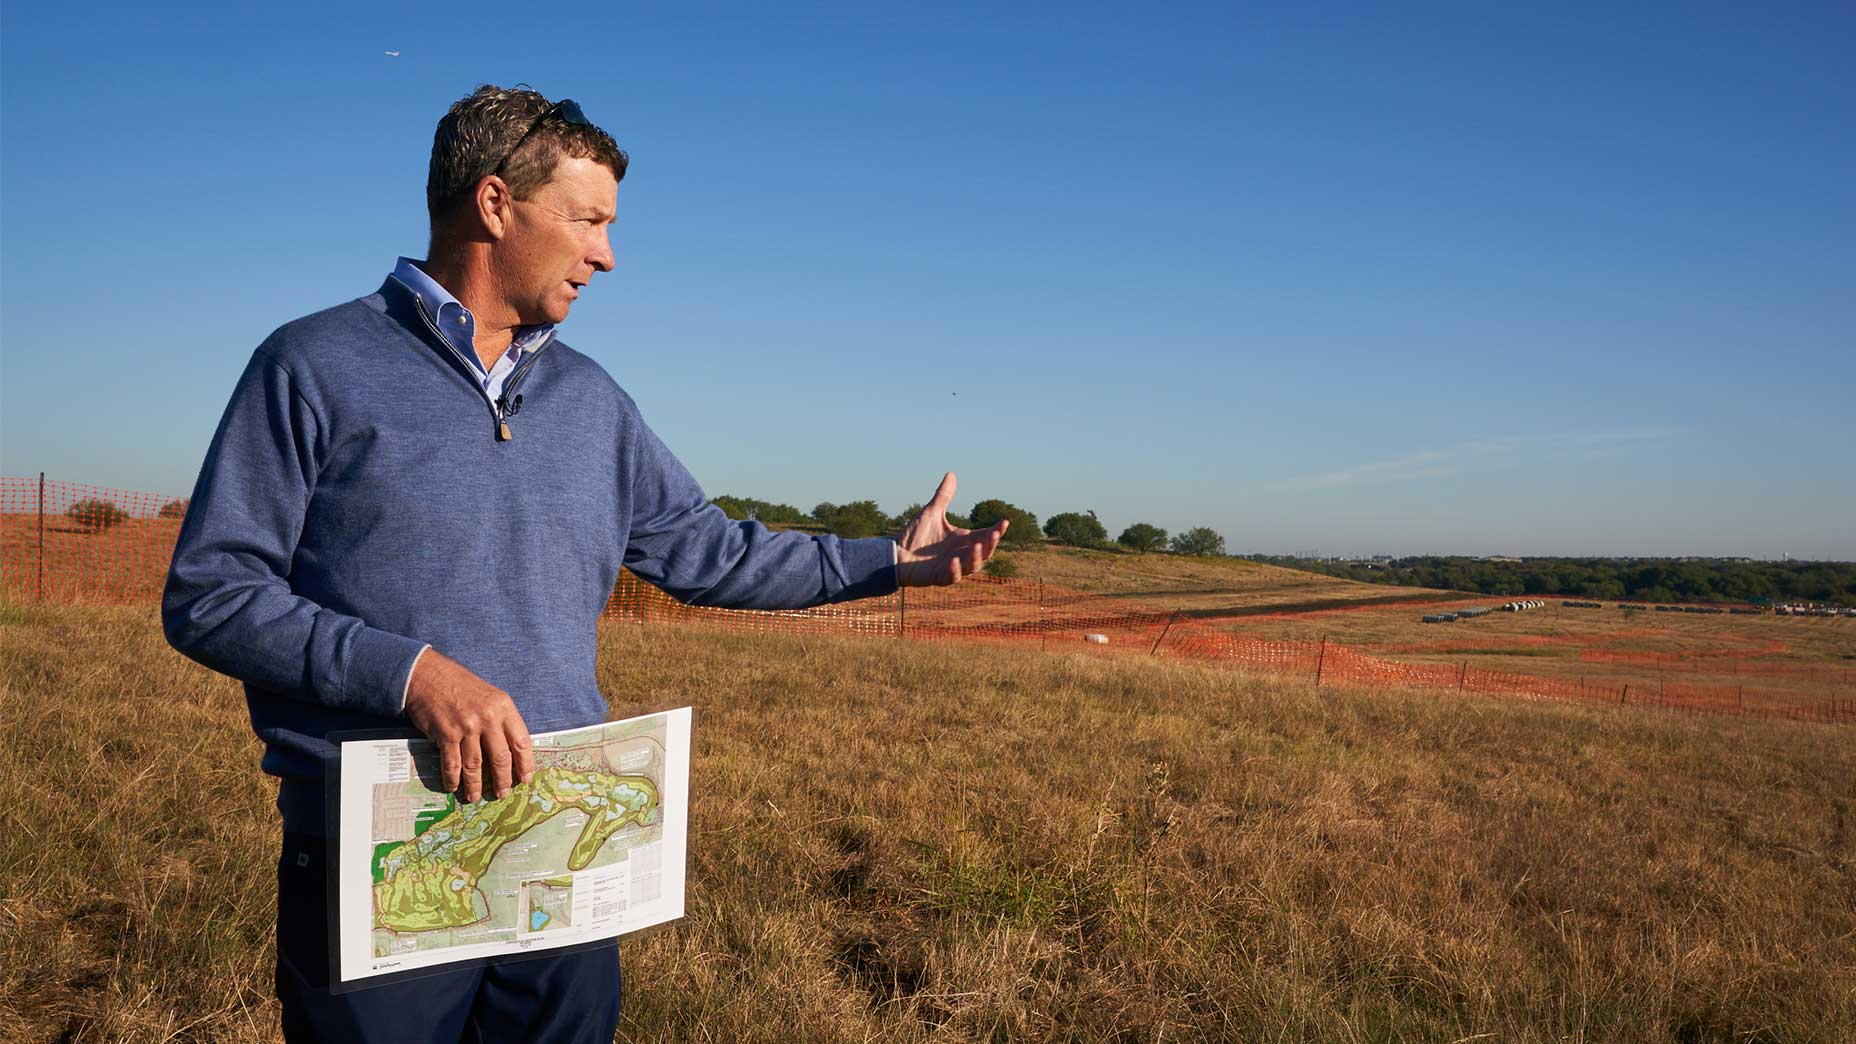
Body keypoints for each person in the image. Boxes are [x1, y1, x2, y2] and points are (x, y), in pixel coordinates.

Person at [162, 84, 1005, 1044]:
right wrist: (413, 675)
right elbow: (212, 595)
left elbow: (710, 551)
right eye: (587, 219)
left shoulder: (592, 400)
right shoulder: (312, 365)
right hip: (384, 853)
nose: (607, 254)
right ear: (494, 204)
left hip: (561, 855)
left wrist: (890, 560)